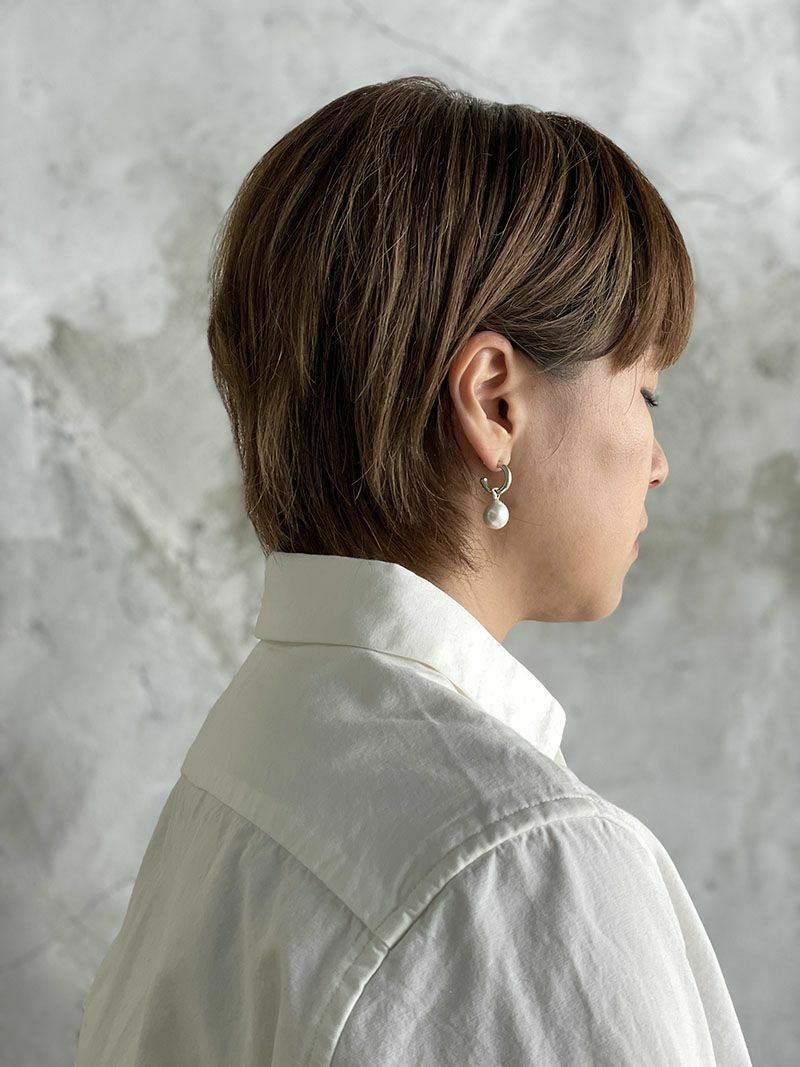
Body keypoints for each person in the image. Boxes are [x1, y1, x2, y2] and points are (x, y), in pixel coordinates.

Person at [74, 75, 753, 1065]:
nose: (658, 461)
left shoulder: (256, 749)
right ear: (494, 402)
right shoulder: (527, 868)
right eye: (643, 393)